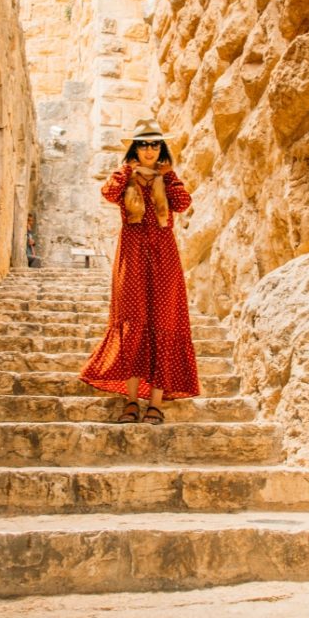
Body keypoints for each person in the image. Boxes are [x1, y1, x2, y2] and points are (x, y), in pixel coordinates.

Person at [79, 118, 200, 424]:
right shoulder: (125, 177)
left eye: (155, 144)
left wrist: (168, 176)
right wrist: (126, 171)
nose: (149, 150)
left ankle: (155, 403)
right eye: (144, 144)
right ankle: (132, 401)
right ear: (136, 148)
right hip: (131, 257)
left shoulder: (168, 177)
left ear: (161, 149)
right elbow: (108, 193)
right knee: (132, 322)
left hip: (164, 258)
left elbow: (183, 203)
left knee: (163, 323)